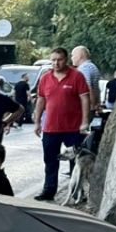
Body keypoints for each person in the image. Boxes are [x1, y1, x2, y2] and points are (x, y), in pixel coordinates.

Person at [32, 47, 91, 201]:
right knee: (50, 161)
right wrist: (37, 121)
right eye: (53, 60)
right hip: (51, 127)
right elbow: (41, 99)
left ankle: (77, 192)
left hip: (73, 128)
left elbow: (85, 98)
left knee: (76, 162)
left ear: (66, 60)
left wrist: (85, 122)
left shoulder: (77, 76)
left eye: (60, 60)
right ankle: (49, 190)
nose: (56, 63)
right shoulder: (45, 78)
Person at [72, 45, 101, 114]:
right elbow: (97, 89)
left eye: (73, 55)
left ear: (79, 56)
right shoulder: (92, 66)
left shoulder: (84, 68)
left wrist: (91, 107)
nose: (71, 58)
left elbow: (87, 88)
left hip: (85, 109)